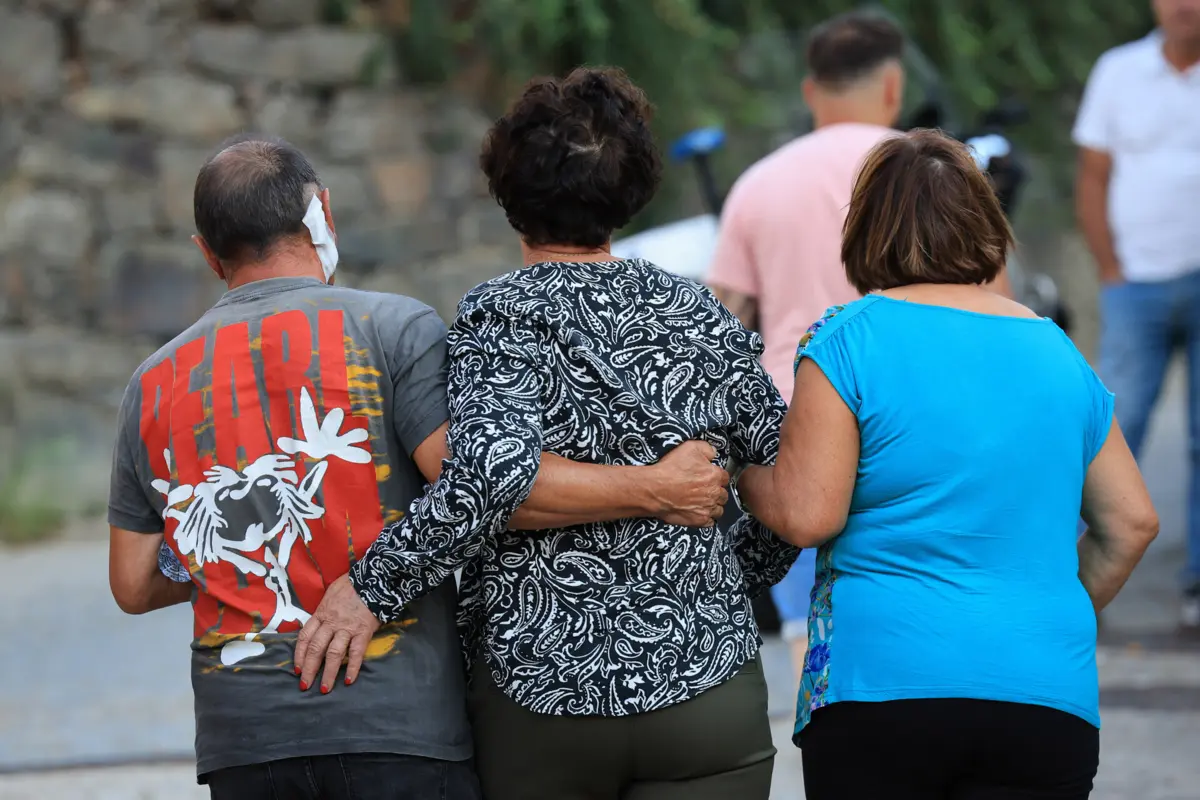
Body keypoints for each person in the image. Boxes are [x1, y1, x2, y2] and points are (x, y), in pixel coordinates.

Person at [107, 134, 732, 799]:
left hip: (245, 740)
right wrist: (654, 488)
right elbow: (481, 490)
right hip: (400, 723)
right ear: (323, 213)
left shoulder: (151, 384)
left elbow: (134, 582)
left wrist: (236, 540)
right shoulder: (394, 329)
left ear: (207, 253)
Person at [295, 68, 799, 800]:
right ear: (631, 190)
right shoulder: (697, 314)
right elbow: (789, 486)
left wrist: (373, 586)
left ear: (510, 194)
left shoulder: (501, 316)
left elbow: (489, 476)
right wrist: (725, 577)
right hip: (706, 688)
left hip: (542, 696)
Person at [733, 129, 1160, 800]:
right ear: (985, 227)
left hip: (880, 691)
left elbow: (808, 513)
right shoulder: (1055, 350)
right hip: (1044, 694)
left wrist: (737, 471)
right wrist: (1051, 609)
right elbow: (1132, 521)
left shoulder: (847, 338)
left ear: (867, 230)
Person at [707, 10, 906, 687]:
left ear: (810, 89)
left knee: (807, 609)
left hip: (792, 413)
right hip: (910, 406)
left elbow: (724, 320)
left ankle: (813, 695)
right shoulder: (934, 171)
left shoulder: (759, 183)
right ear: (892, 86)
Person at [1074, 0, 1200, 631]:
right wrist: (1110, 267)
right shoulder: (1119, 71)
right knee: (1111, 427)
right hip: (1136, 283)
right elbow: (1093, 175)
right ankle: (1066, 573)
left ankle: (1197, 585)